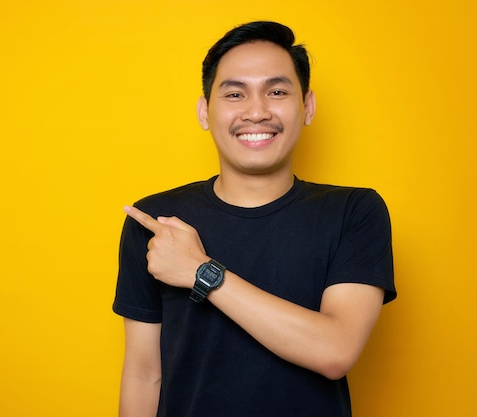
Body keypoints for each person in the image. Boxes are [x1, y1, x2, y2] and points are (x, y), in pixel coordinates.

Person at [113, 21, 396, 417]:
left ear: (308, 106)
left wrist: (200, 271)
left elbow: (335, 350)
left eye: (277, 91)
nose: (257, 111)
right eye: (234, 94)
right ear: (204, 111)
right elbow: (144, 374)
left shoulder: (354, 212)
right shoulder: (156, 222)